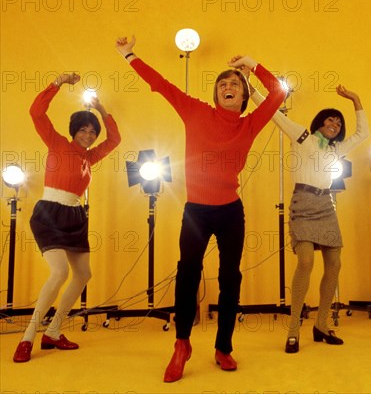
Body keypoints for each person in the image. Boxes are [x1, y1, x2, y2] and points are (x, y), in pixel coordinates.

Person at [115, 36, 285, 382]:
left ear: (243, 95)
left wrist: (251, 63)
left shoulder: (250, 123)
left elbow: (280, 94)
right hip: (196, 210)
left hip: (229, 211)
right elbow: (161, 85)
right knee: (187, 274)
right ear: (215, 94)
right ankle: (182, 344)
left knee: (229, 278)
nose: (228, 86)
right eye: (222, 84)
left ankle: (224, 347)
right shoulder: (195, 110)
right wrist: (129, 54)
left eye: (234, 84)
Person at [250, 82, 369, 353]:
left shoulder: (334, 150)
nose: (335, 124)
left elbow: (364, 133)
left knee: (335, 264)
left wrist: (355, 97)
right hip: (303, 202)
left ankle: (322, 324)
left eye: (339, 123)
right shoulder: (302, 135)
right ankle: (293, 330)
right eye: (331, 119)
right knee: (305, 262)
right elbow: (272, 112)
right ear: (320, 122)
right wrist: (249, 82)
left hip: (325, 204)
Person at [13, 73, 121, 363]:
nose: (88, 135)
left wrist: (101, 109)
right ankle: (28, 337)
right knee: (59, 272)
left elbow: (116, 139)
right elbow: (36, 112)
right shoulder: (57, 143)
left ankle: (54, 331)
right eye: (84, 130)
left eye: (92, 132)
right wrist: (58, 83)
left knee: (83, 274)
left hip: (75, 216)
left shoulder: (91, 157)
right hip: (50, 212)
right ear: (74, 130)